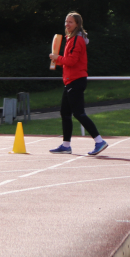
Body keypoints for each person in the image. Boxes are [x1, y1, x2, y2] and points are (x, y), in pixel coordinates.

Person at [48, 12, 108, 155]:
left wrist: (58, 58)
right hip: (70, 81)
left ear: (77, 24)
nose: (67, 24)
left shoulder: (77, 40)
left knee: (79, 113)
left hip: (76, 80)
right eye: (66, 21)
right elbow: (69, 62)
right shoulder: (70, 39)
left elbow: (71, 61)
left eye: (70, 22)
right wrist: (59, 60)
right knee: (65, 113)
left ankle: (99, 141)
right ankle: (66, 145)